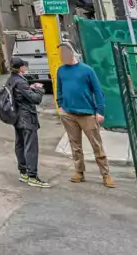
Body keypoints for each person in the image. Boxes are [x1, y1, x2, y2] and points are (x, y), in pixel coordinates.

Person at [56, 43, 115, 187]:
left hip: (87, 114)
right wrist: (61, 105)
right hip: (68, 114)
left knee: (96, 144)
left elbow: (98, 91)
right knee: (75, 145)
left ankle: (106, 174)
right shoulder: (61, 70)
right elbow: (59, 89)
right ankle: (79, 172)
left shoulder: (87, 70)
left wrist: (100, 111)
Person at [8, 56, 49, 187]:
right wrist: (39, 88)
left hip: (16, 117)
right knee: (31, 147)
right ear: (21, 68)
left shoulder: (11, 80)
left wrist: (29, 87)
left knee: (20, 144)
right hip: (27, 118)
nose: (25, 67)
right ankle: (32, 176)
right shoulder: (21, 82)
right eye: (24, 66)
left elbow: (20, 94)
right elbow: (36, 99)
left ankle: (23, 173)